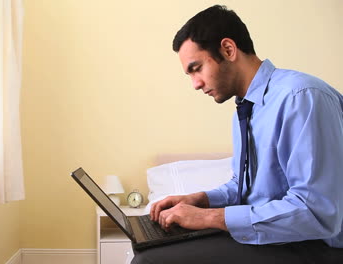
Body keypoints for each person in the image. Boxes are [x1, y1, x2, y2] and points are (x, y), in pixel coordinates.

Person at [131, 5, 343, 264]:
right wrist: (201, 200)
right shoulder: (245, 110)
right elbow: (247, 187)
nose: (196, 84)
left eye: (196, 68)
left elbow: (317, 212)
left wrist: (209, 218)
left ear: (228, 49)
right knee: (147, 248)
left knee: (150, 261)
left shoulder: (301, 98)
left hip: (314, 245)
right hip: (274, 238)